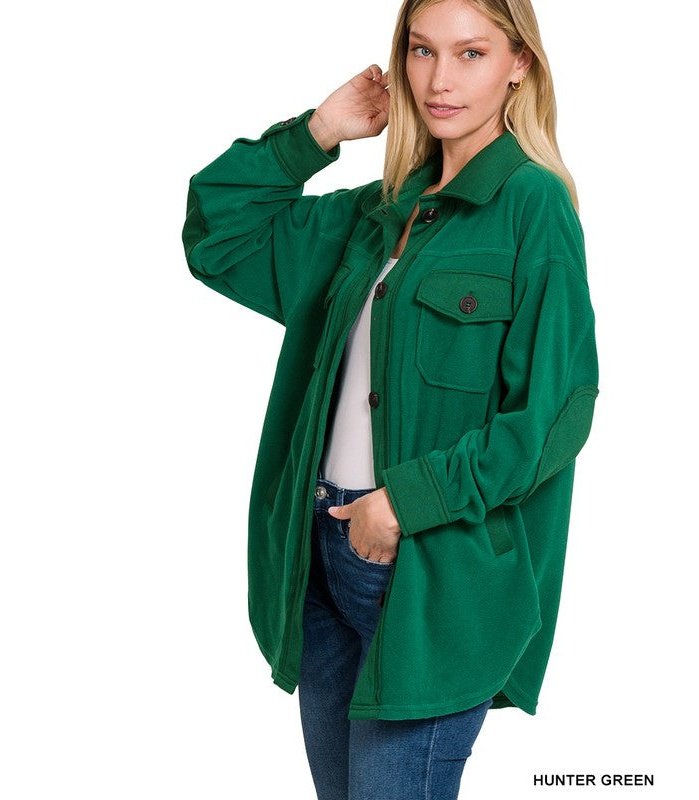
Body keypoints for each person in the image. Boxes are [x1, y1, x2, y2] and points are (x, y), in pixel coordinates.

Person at [181, 0, 600, 797]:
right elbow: (217, 235)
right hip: (320, 554)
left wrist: (405, 503)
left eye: (471, 53)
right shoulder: (380, 211)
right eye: (421, 50)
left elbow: (554, 413)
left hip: (429, 576)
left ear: (519, 63)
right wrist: (318, 132)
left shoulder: (532, 205)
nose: (439, 80)